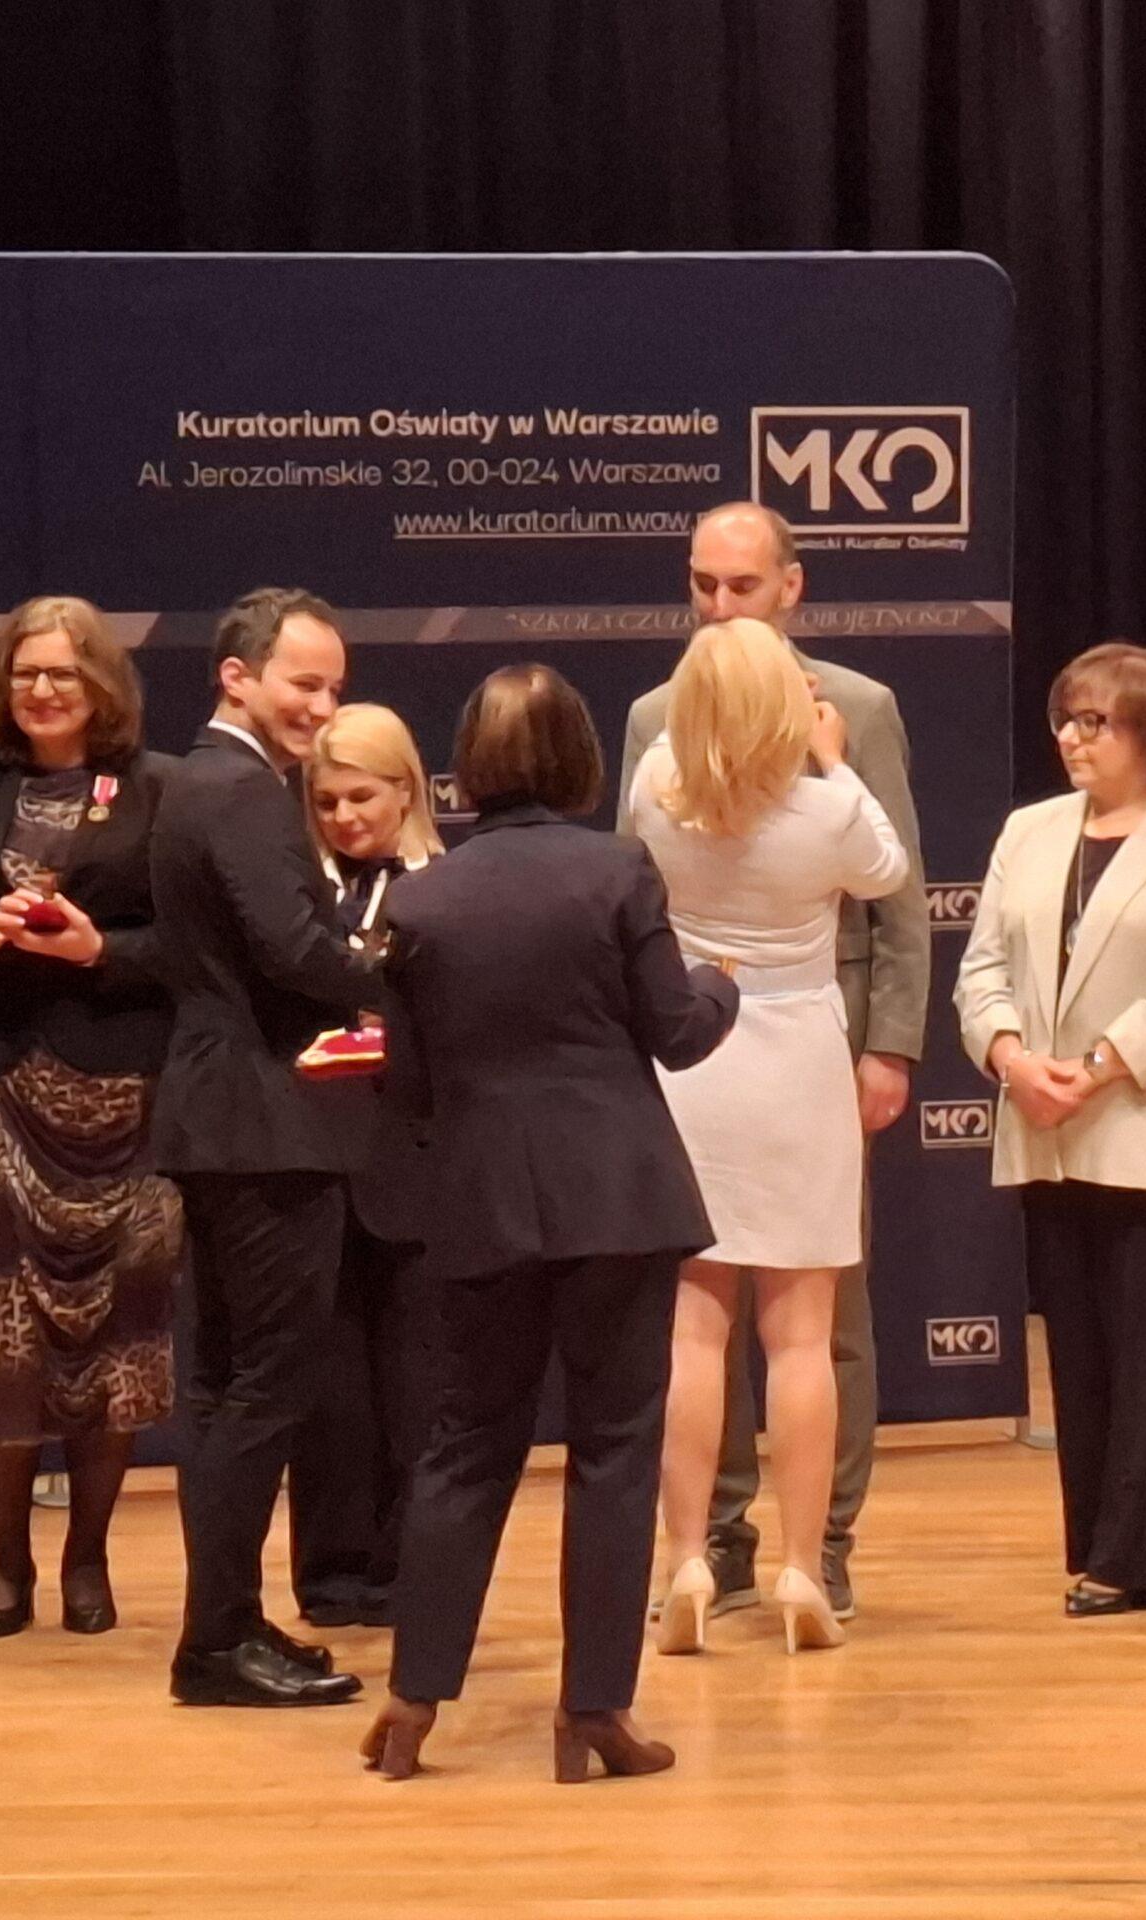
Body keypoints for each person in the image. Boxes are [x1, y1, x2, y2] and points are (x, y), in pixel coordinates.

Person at [361, 664, 737, 1783]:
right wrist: (720, 984)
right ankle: (593, 1716)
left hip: (480, 1202)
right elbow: (678, 1033)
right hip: (618, 1197)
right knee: (614, 1451)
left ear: (467, 766)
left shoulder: (417, 900)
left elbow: (407, 1087)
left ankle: (412, 1704)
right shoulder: (617, 869)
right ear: (579, 757)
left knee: (465, 1448)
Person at [618, 501, 927, 1623]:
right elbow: (633, 900)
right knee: (782, 1318)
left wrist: (891, 1041)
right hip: (782, 1046)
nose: (718, 604)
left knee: (750, 1323)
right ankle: (737, 1539)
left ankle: (812, 1541)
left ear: (791, 588)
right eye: (702, 583)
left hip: (745, 1050)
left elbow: (903, 912)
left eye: (740, 585)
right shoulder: (658, 717)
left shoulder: (860, 705)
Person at [0, 595, 182, 1639]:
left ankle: (89, 1557)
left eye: (63, 672)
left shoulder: (160, 789)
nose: (43, 690)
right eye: (25, 674)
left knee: (120, 1332)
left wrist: (97, 949)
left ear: (100, 683)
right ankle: (7, 1561)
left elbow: (195, 951)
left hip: (126, 1093)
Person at [954, 643, 1146, 1616]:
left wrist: (1094, 1068)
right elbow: (982, 968)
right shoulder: (1029, 831)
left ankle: (1145, 1556)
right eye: (1066, 719)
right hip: (1044, 1124)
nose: (1072, 739)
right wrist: (1011, 1058)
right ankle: (1098, 1544)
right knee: (1080, 1354)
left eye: (1096, 723)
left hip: (1145, 1123)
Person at [151, 587, 380, 1706]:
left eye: (333, 687)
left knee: (229, 1387)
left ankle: (223, 1630)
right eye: (304, 682)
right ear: (237, 676)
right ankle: (218, 1640)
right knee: (265, 1385)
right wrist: (403, 968)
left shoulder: (209, 781)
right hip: (260, 1123)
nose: (322, 707)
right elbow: (296, 950)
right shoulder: (237, 788)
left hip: (226, 1117)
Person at [285, 705, 445, 1630]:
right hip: (312, 1157)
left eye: (361, 798)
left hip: (415, 1163)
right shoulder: (295, 898)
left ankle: (408, 1572)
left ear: (406, 791)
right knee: (327, 1386)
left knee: (415, 1384)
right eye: (326, 801)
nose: (344, 818)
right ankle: (331, 1576)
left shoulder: (444, 890)